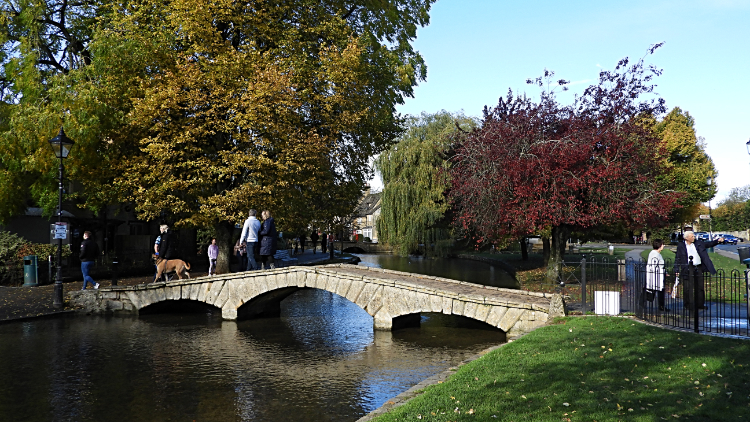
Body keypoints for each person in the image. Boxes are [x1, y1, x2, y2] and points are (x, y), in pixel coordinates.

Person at [674, 230, 723, 311]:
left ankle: (700, 304)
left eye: (693, 236)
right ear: (686, 238)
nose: (694, 237)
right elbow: (678, 258)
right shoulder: (681, 246)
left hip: (698, 267)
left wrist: (717, 241)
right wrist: (676, 269)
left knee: (700, 287)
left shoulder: (698, 243)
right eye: (692, 236)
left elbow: (709, 244)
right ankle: (688, 304)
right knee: (687, 288)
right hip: (687, 268)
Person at [645, 239, 669, 311]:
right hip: (656, 275)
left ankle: (661, 306)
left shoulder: (656, 253)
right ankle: (660, 306)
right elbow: (654, 265)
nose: (664, 246)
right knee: (656, 290)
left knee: (658, 290)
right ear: (660, 245)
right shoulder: (655, 254)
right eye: (662, 244)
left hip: (659, 274)